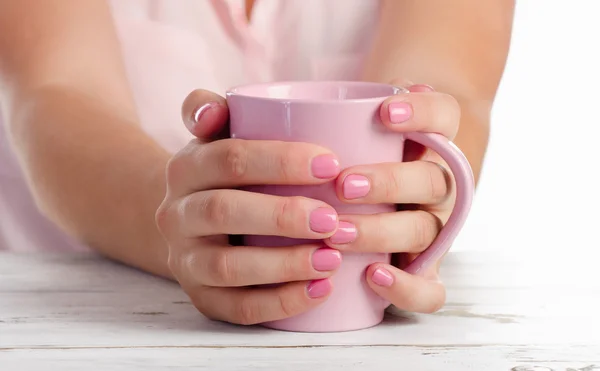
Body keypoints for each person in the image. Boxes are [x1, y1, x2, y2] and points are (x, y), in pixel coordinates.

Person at [0, 0, 514, 325]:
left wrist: (423, 188)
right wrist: (181, 222)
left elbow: (450, 83)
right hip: (70, 323)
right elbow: (56, 90)